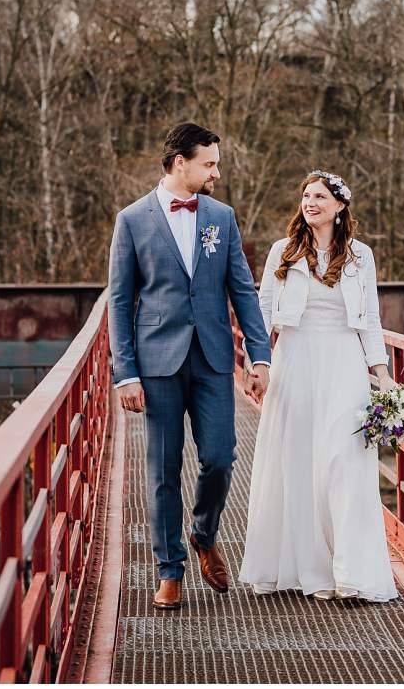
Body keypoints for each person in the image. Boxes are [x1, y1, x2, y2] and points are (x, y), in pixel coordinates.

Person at [107, 122, 272, 611]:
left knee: (221, 457)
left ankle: (203, 532)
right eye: (210, 163)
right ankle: (169, 569)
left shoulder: (221, 216)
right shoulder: (132, 220)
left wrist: (259, 355)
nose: (216, 172)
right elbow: (119, 302)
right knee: (162, 469)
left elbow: (242, 289)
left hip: (214, 358)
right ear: (181, 162)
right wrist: (126, 373)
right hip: (156, 363)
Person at [238, 170, 399, 602]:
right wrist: (259, 365)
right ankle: (305, 569)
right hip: (295, 361)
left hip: (344, 364)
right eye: (306, 195)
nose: (310, 202)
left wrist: (381, 373)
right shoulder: (283, 252)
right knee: (297, 461)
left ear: (340, 206)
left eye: (320, 197)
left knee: (343, 461)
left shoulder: (361, 256)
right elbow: (263, 310)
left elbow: (370, 319)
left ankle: (348, 570)